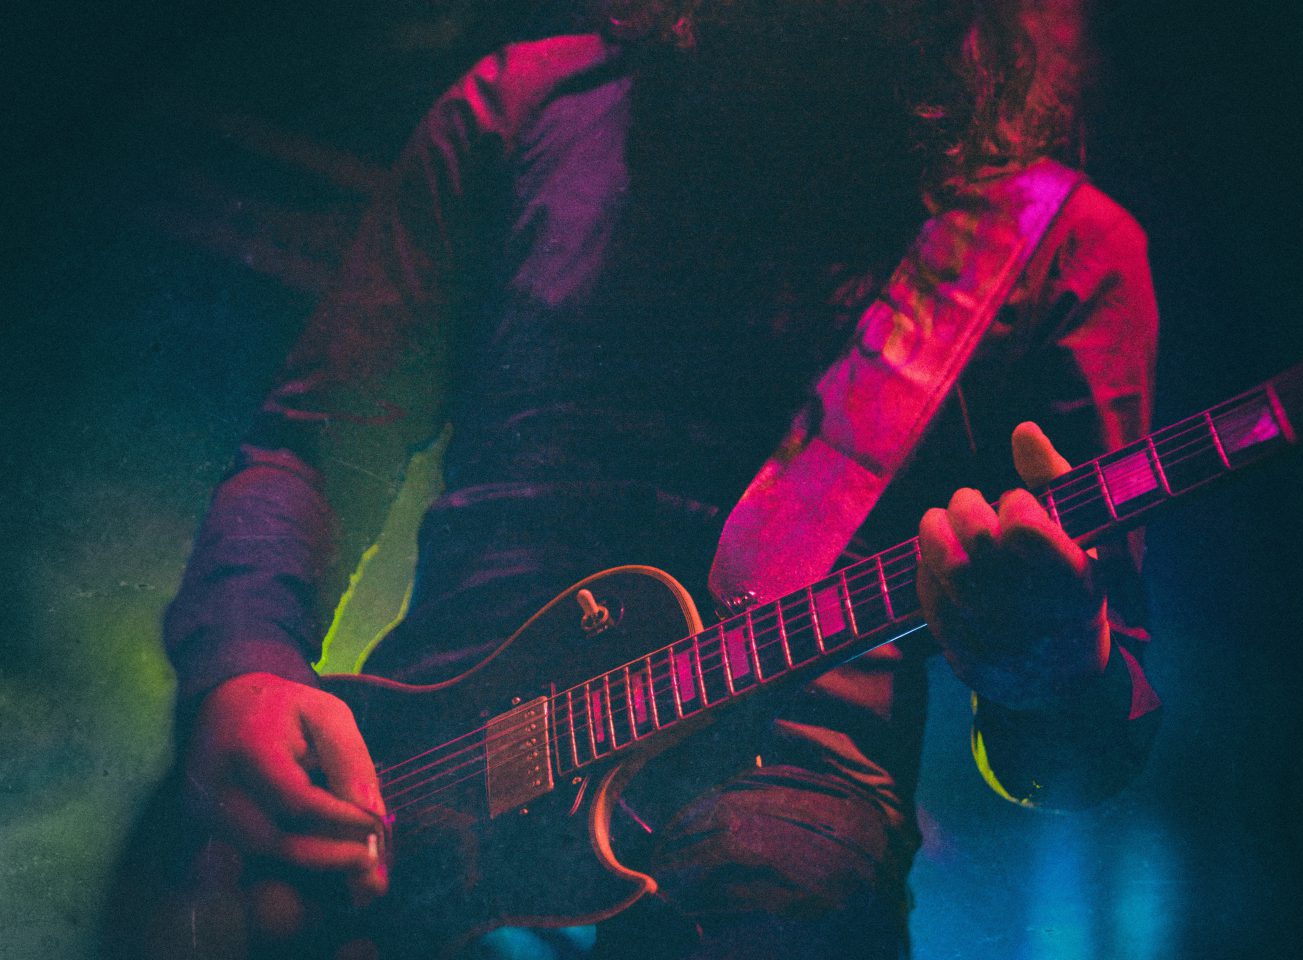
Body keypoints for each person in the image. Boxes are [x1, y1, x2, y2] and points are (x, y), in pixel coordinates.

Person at [163, 2, 1161, 957]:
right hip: (413, 801)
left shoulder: (1064, 253)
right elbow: (314, 451)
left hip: (773, 858)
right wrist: (244, 664)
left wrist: (1058, 666)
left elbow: (1083, 755)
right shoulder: (521, 107)